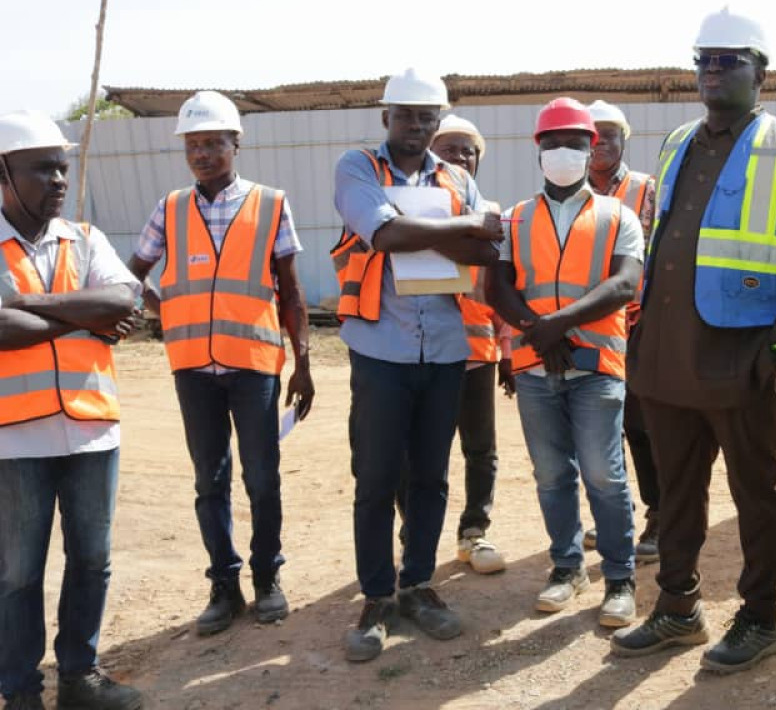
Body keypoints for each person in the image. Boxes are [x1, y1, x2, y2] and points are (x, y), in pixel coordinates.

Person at [610, 8, 776, 673]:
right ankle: (678, 607)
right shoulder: (679, 140)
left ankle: (760, 618)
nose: (712, 73)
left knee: (756, 492)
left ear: (759, 72)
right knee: (676, 492)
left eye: (728, 61)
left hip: (740, 357)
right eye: (703, 61)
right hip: (666, 355)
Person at [331, 69, 504, 662]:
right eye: (406, 115)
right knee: (378, 477)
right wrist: (460, 229)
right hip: (381, 349)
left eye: (427, 117)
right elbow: (382, 232)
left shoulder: (455, 176)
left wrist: (436, 235)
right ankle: (377, 595)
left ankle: (419, 584)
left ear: (437, 121)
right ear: (387, 118)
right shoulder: (357, 168)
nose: (417, 126)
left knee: (431, 475)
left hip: (449, 349)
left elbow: (488, 250)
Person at [128, 91, 314, 638]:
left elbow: (292, 291)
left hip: (254, 363)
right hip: (192, 367)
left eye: (213, 142)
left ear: (237, 143)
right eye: (194, 144)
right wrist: (166, 312)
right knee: (210, 481)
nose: (202, 153)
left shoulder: (271, 203)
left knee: (262, 478)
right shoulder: (169, 208)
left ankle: (267, 579)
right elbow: (130, 275)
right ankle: (224, 585)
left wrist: (302, 363)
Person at [0, 111, 143, 710]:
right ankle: (21, 689)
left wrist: (35, 303)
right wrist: (82, 317)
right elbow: (1, 329)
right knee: (16, 575)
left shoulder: (86, 239)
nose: (58, 179)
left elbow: (123, 297)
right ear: (3, 174)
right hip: (14, 439)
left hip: (90, 433)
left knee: (92, 560)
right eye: (43, 169)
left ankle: (79, 677)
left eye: (63, 168)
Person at [487, 97, 642, 627]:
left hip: (596, 366)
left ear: (590, 148)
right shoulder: (515, 218)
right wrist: (539, 330)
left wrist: (557, 324)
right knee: (552, 475)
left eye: (574, 144)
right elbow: (498, 285)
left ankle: (619, 579)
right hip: (536, 368)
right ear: (538, 150)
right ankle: (567, 568)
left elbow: (624, 283)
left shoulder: (618, 214)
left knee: (604, 474)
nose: (563, 152)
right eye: (552, 143)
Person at [392, 114, 511, 576]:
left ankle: (474, 532)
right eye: (450, 147)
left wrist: (508, 351)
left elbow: (500, 285)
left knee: (480, 449)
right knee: (415, 452)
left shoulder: (491, 215)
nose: (460, 156)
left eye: (469, 150)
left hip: (476, 354)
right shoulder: (402, 209)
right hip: (417, 352)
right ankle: (413, 536)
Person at [586, 99, 661, 563]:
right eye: (591, 136)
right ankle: (616, 514)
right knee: (599, 428)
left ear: (624, 139)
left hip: (638, 325)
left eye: (609, 135)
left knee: (642, 424)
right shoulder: (569, 192)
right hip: (591, 327)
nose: (599, 144)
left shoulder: (645, 190)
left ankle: (659, 513)